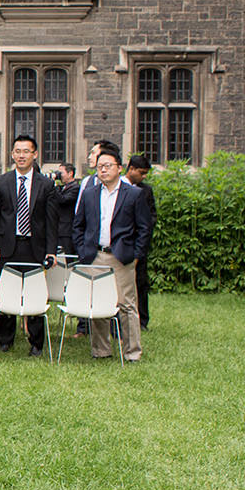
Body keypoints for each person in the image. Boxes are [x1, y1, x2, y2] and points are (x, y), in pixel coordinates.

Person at [71, 142, 153, 362]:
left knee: (127, 305)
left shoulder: (133, 195)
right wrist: (82, 249)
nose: (103, 170)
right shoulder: (89, 194)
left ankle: (132, 352)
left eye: (108, 166)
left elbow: (144, 228)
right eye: (100, 167)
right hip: (94, 255)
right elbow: (78, 225)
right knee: (98, 303)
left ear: (119, 167)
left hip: (121, 256)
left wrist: (136, 254)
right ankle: (101, 350)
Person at [0, 134, 57, 356]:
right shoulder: (2, 182)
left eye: (27, 151)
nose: (22, 155)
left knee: (34, 295)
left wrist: (51, 251)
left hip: (34, 247)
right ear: (12, 154)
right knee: (6, 293)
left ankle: (36, 343)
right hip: (7, 246)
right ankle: (5, 340)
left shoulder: (46, 184)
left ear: (34, 154)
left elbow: (52, 221)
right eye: (18, 151)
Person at [126, 154, 156, 329]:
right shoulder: (118, 186)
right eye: (142, 172)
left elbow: (151, 216)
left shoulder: (146, 191)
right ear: (131, 169)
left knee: (141, 282)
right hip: (120, 243)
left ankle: (142, 320)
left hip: (138, 243)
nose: (144, 176)